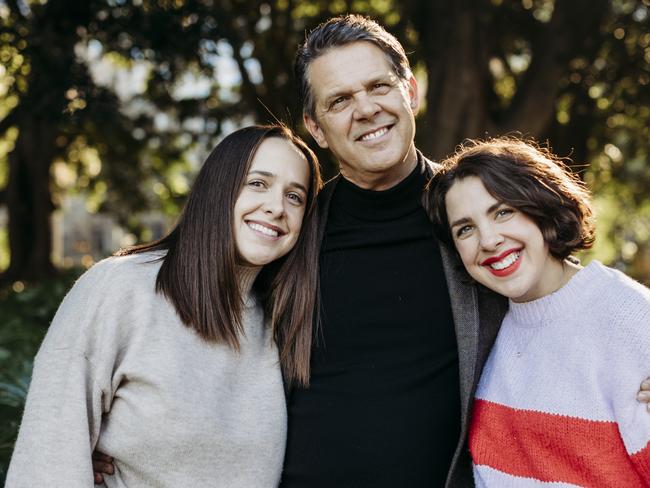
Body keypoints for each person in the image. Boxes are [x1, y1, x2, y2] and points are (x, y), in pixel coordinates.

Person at [6, 124, 322, 487]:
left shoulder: (281, 323)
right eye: (258, 183)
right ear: (219, 189)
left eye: (295, 196)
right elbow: (48, 459)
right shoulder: (122, 288)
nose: (276, 207)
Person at [279, 15, 508, 487]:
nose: (365, 110)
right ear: (315, 128)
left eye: (378, 86)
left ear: (411, 92)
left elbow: (561, 291)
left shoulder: (476, 215)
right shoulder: (290, 235)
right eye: (339, 100)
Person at [428, 137, 650, 486]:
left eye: (503, 212)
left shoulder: (631, 319)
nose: (488, 240)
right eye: (465, 229)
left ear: (541, 206)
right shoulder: (487, 327)